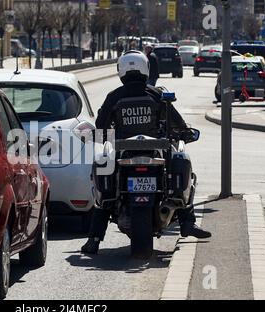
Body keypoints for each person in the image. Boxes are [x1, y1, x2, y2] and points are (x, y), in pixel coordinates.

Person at [81, 50, 212, 255]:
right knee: (179, 170)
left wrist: (101, 136)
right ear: (145, 68)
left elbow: (101, 126)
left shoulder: (114, 96)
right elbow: (176, 121)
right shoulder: (156, 94)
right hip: (156, 151)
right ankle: (188, 223)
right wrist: (185, 132)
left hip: (123, 153)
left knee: (105, 194)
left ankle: (94, 240)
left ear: (121, 70)